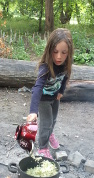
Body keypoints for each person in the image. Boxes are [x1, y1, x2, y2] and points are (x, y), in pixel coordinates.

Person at [27, 28, 73, 159]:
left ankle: (50, 134)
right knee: (46, 123)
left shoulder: (66, 64)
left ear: (68, 52)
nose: (59, 56)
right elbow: (37, 88)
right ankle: (42, 148)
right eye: (55, 52)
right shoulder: (45, 67)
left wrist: (61, 91)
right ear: (49, 50)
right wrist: (33, 111)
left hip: (55, 97)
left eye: (64, 53)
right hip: (43, 99)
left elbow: (65, 77)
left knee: (53, 120)